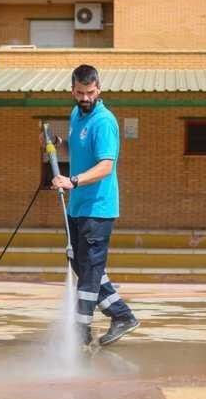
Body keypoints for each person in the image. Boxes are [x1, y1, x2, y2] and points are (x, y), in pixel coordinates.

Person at [49, 64, 139, 347]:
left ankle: (80, 336)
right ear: (72, 90)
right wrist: (57, 143)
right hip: (78, 207)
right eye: (79, 93)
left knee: (89, 273)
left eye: (89, 93)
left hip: (98, 209)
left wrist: (72, 181)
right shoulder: (76, 114)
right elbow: (76, 149)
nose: (84, 98)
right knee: (83, 265)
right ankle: (122, 316)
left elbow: (105, 166)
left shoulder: (104, 122)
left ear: (98, 89)